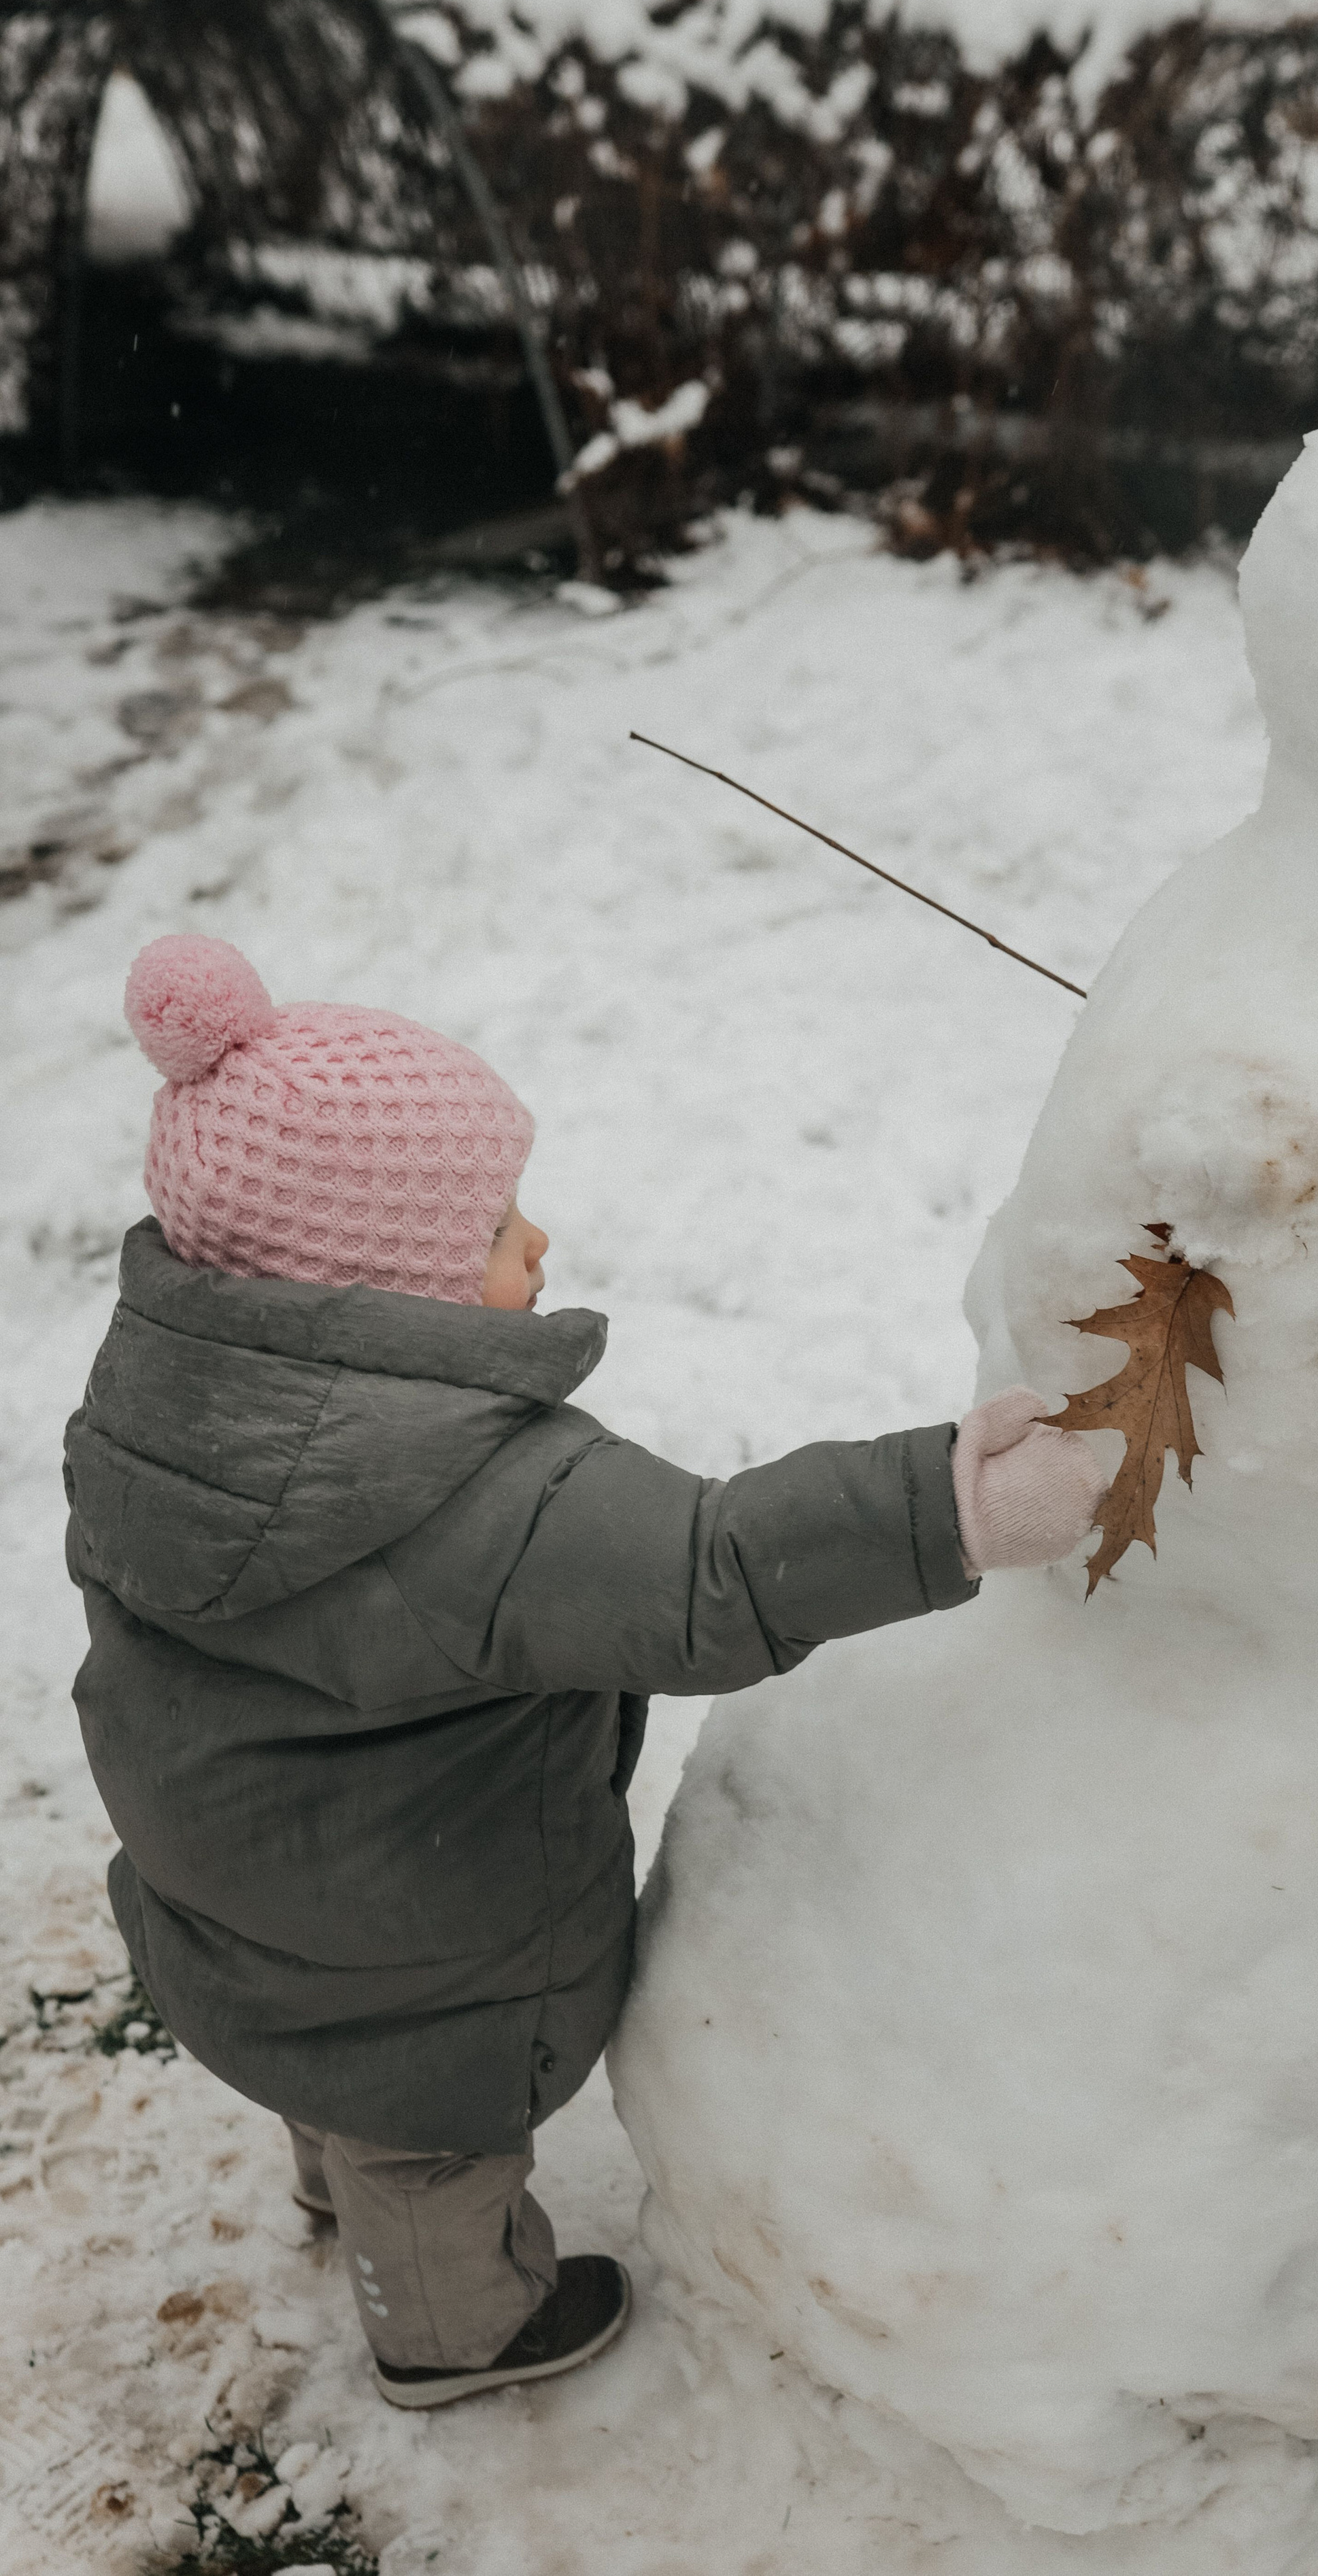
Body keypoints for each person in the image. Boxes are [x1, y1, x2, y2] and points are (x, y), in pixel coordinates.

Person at [65, 934, 1102, 2410]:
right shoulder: (469, 1504)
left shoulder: (170, 1393)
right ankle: (453, 2328)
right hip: (414, 1923)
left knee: (325, 2049)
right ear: (377, 1294)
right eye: (490, 1226)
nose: (534, 1244)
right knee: (427, 2134)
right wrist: (957, 1504)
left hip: (232, 1853)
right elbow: (710, 1572)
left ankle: (331, 2165)